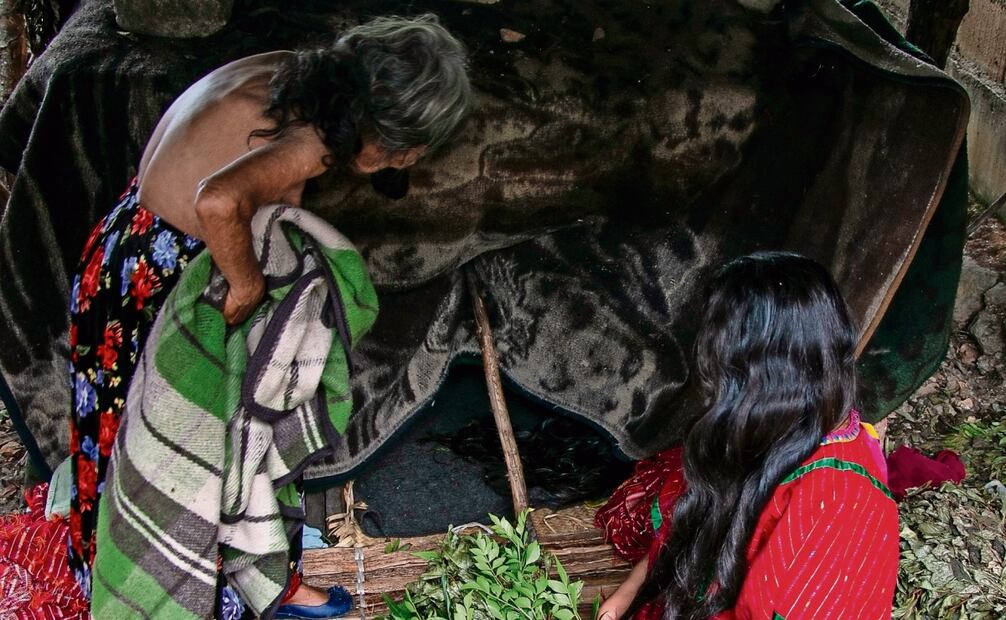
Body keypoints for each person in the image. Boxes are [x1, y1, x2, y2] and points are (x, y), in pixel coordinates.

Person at [66, 13, 473, 618]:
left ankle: (262, 578)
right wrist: (249, 283)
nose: (407, 161)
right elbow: (219, 200)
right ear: (387, 129)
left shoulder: (297, 76)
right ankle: (164, 594)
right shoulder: (309, 140)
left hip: (121, 247)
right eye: (409, 149)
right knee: (185, 444)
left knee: (213, 428)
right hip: (152, 283)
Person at [595, 252, 899, 620]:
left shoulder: (837, 508)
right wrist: (628, 593)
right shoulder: (776, 424)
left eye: (722, 364)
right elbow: (696, 525)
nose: (710, 378)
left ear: (764, 376)